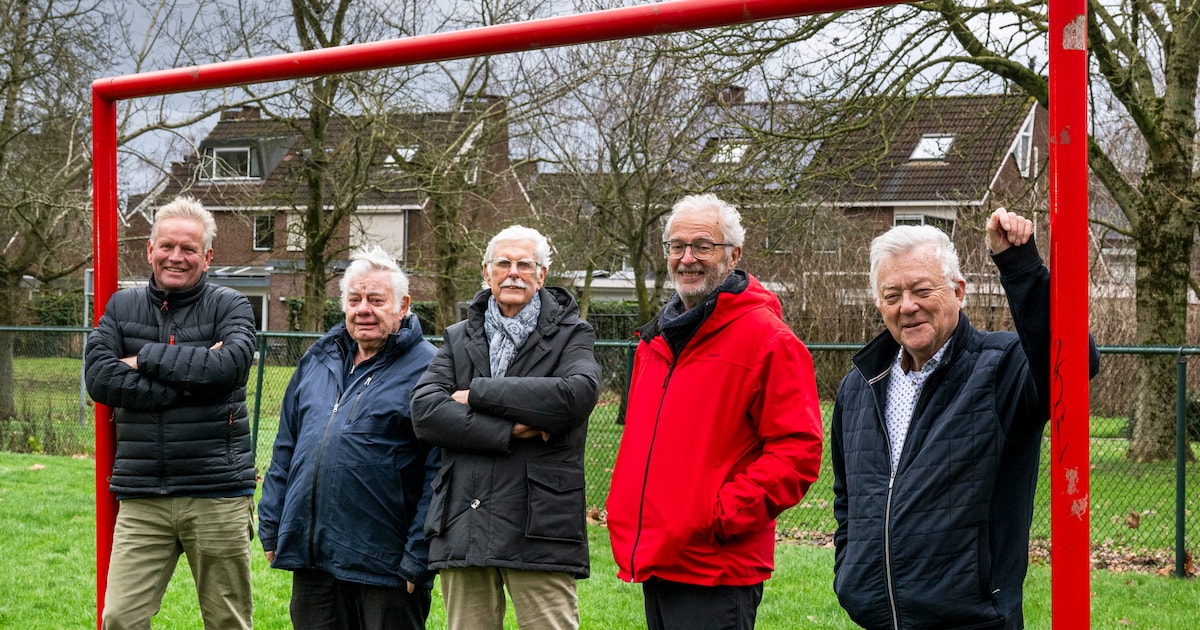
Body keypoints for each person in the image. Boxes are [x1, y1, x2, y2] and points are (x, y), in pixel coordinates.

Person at [831, 209, 1101, 629]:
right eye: (892, 295)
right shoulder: (859, 385)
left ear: (959, 290)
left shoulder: (1002, 369)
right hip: (878, 620)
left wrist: (1021, 268)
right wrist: (850, 574)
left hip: (974, 621)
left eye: (922, 289)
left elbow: (1074, 365)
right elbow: (849, 496)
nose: (907, 306)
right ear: (877, 304)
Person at [606, 193, 824, 630]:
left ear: (733, 255)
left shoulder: (768, 340)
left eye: (703, 246)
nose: (688, 258)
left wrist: (717, 517)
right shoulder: (657, 341)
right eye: (677, 246)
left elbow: (798, 451)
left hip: (715, 566)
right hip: (658, 556)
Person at [410, 225, 601, 630]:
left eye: (524, 264)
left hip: (539, 522)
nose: (513, 272)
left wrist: (476, 393)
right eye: (504, 263)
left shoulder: (572, 335)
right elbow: (426, 411)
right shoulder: (458, 338)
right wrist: (511, 429)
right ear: (487, 271)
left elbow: (575, 395)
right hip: (464, 518)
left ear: (542, 275)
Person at [84, 195, 257, 630]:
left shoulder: (230, 305)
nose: (176, 257)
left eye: (188, 249)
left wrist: (140, 358)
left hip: (216, 491)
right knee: (120, 618)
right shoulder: (122, 307)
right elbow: (100, 380)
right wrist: (195, 380)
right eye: (167, 246)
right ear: (150, 248)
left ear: (207, 256)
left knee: (227, 622)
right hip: (143, 494)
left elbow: (231, 367)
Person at [258, 245, 440, 629]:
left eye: (376, 300)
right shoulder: (318, 359)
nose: (363, 309)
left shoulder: (430, 368)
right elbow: (287, 447)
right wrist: (273, 522)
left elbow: (439, 471)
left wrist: (419, 555)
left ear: (402, 305)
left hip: (386, 565)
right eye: (355, 299)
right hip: (314, 556)